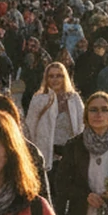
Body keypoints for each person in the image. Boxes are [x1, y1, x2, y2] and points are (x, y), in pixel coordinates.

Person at [24, 62, 85, 200]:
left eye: (59, 76)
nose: (55, 79)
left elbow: (82, 125)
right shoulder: (39, 99)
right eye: (51, 76)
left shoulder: (74, 99)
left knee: (67, 197)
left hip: (70, 155)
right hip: (47, 154)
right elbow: (29, 127)